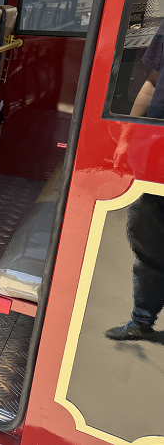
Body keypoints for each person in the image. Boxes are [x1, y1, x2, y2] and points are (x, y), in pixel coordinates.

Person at [106, 21, 164, 341]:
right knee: (147, 236)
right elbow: (152, 83)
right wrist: (126, 136)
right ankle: (141, 319)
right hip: (156, 149)